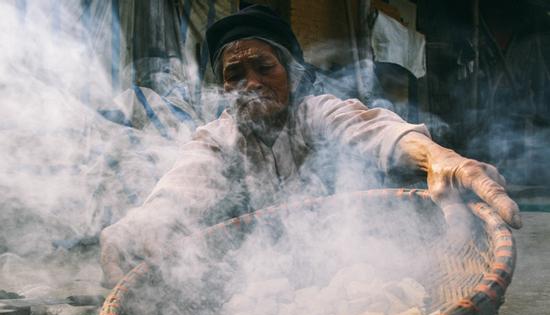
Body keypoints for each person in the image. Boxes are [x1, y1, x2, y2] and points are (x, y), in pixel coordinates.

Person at [100, 5, 521, 287]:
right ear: (224, 87)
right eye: (235, 74)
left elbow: (372, 128)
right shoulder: (217, 138)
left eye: (264, 67)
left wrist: (439, 157)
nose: (252, 83)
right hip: (262, 275)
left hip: (349, 260)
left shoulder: (315, 112)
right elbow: (180, 189)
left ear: (292, 73)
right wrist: (133, 231)